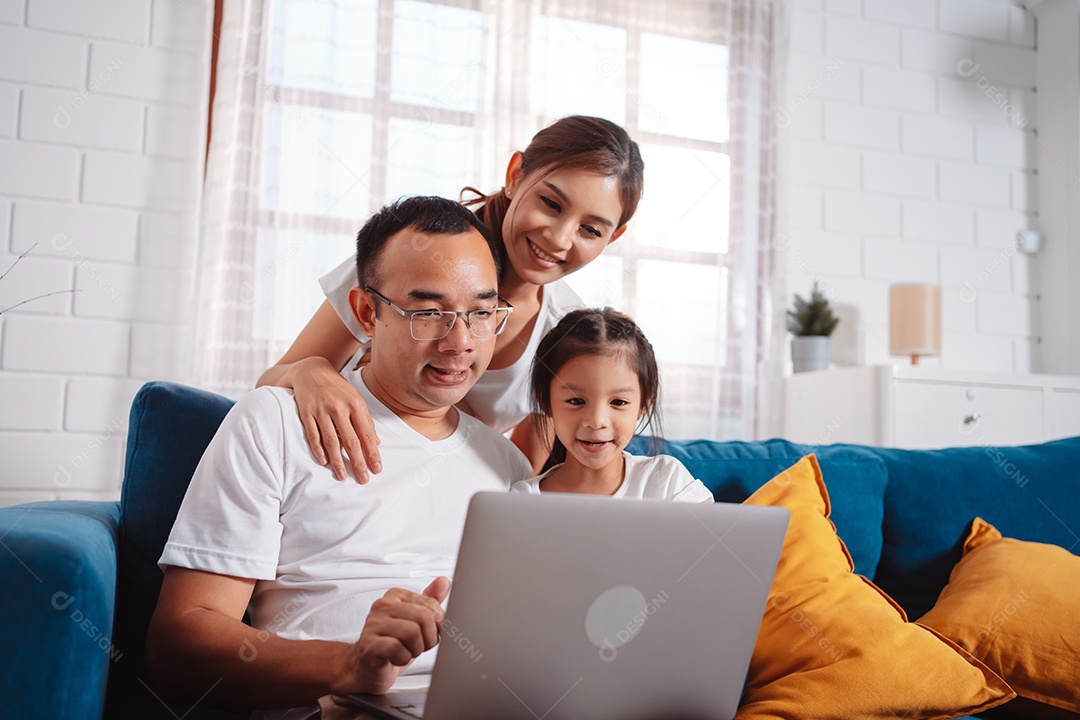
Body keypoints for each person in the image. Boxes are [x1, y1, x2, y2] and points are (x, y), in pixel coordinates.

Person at [145, 196, 533, 719]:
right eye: (428, 313)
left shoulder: (505, 466)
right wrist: (349, 664)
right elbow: (175, 645)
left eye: (482, 313)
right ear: (367, 313)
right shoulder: (276, 421)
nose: (460, 342)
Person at [257, 116, 645, 480]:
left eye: (590, 230)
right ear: (515, 176)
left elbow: (517, 477)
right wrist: (310, 371)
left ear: (613, 238)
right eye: (550, 204)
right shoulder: (410, 252)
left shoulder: (564, 333)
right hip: (339, 464)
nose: (559, 238)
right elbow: (272, 385)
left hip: (443, 486)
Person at [510, 308, 712, 502]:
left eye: (618, 402)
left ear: (643, 405)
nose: (597, 422)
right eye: (576, 401)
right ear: (546, 400)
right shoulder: (524, 500)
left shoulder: (667, 482)